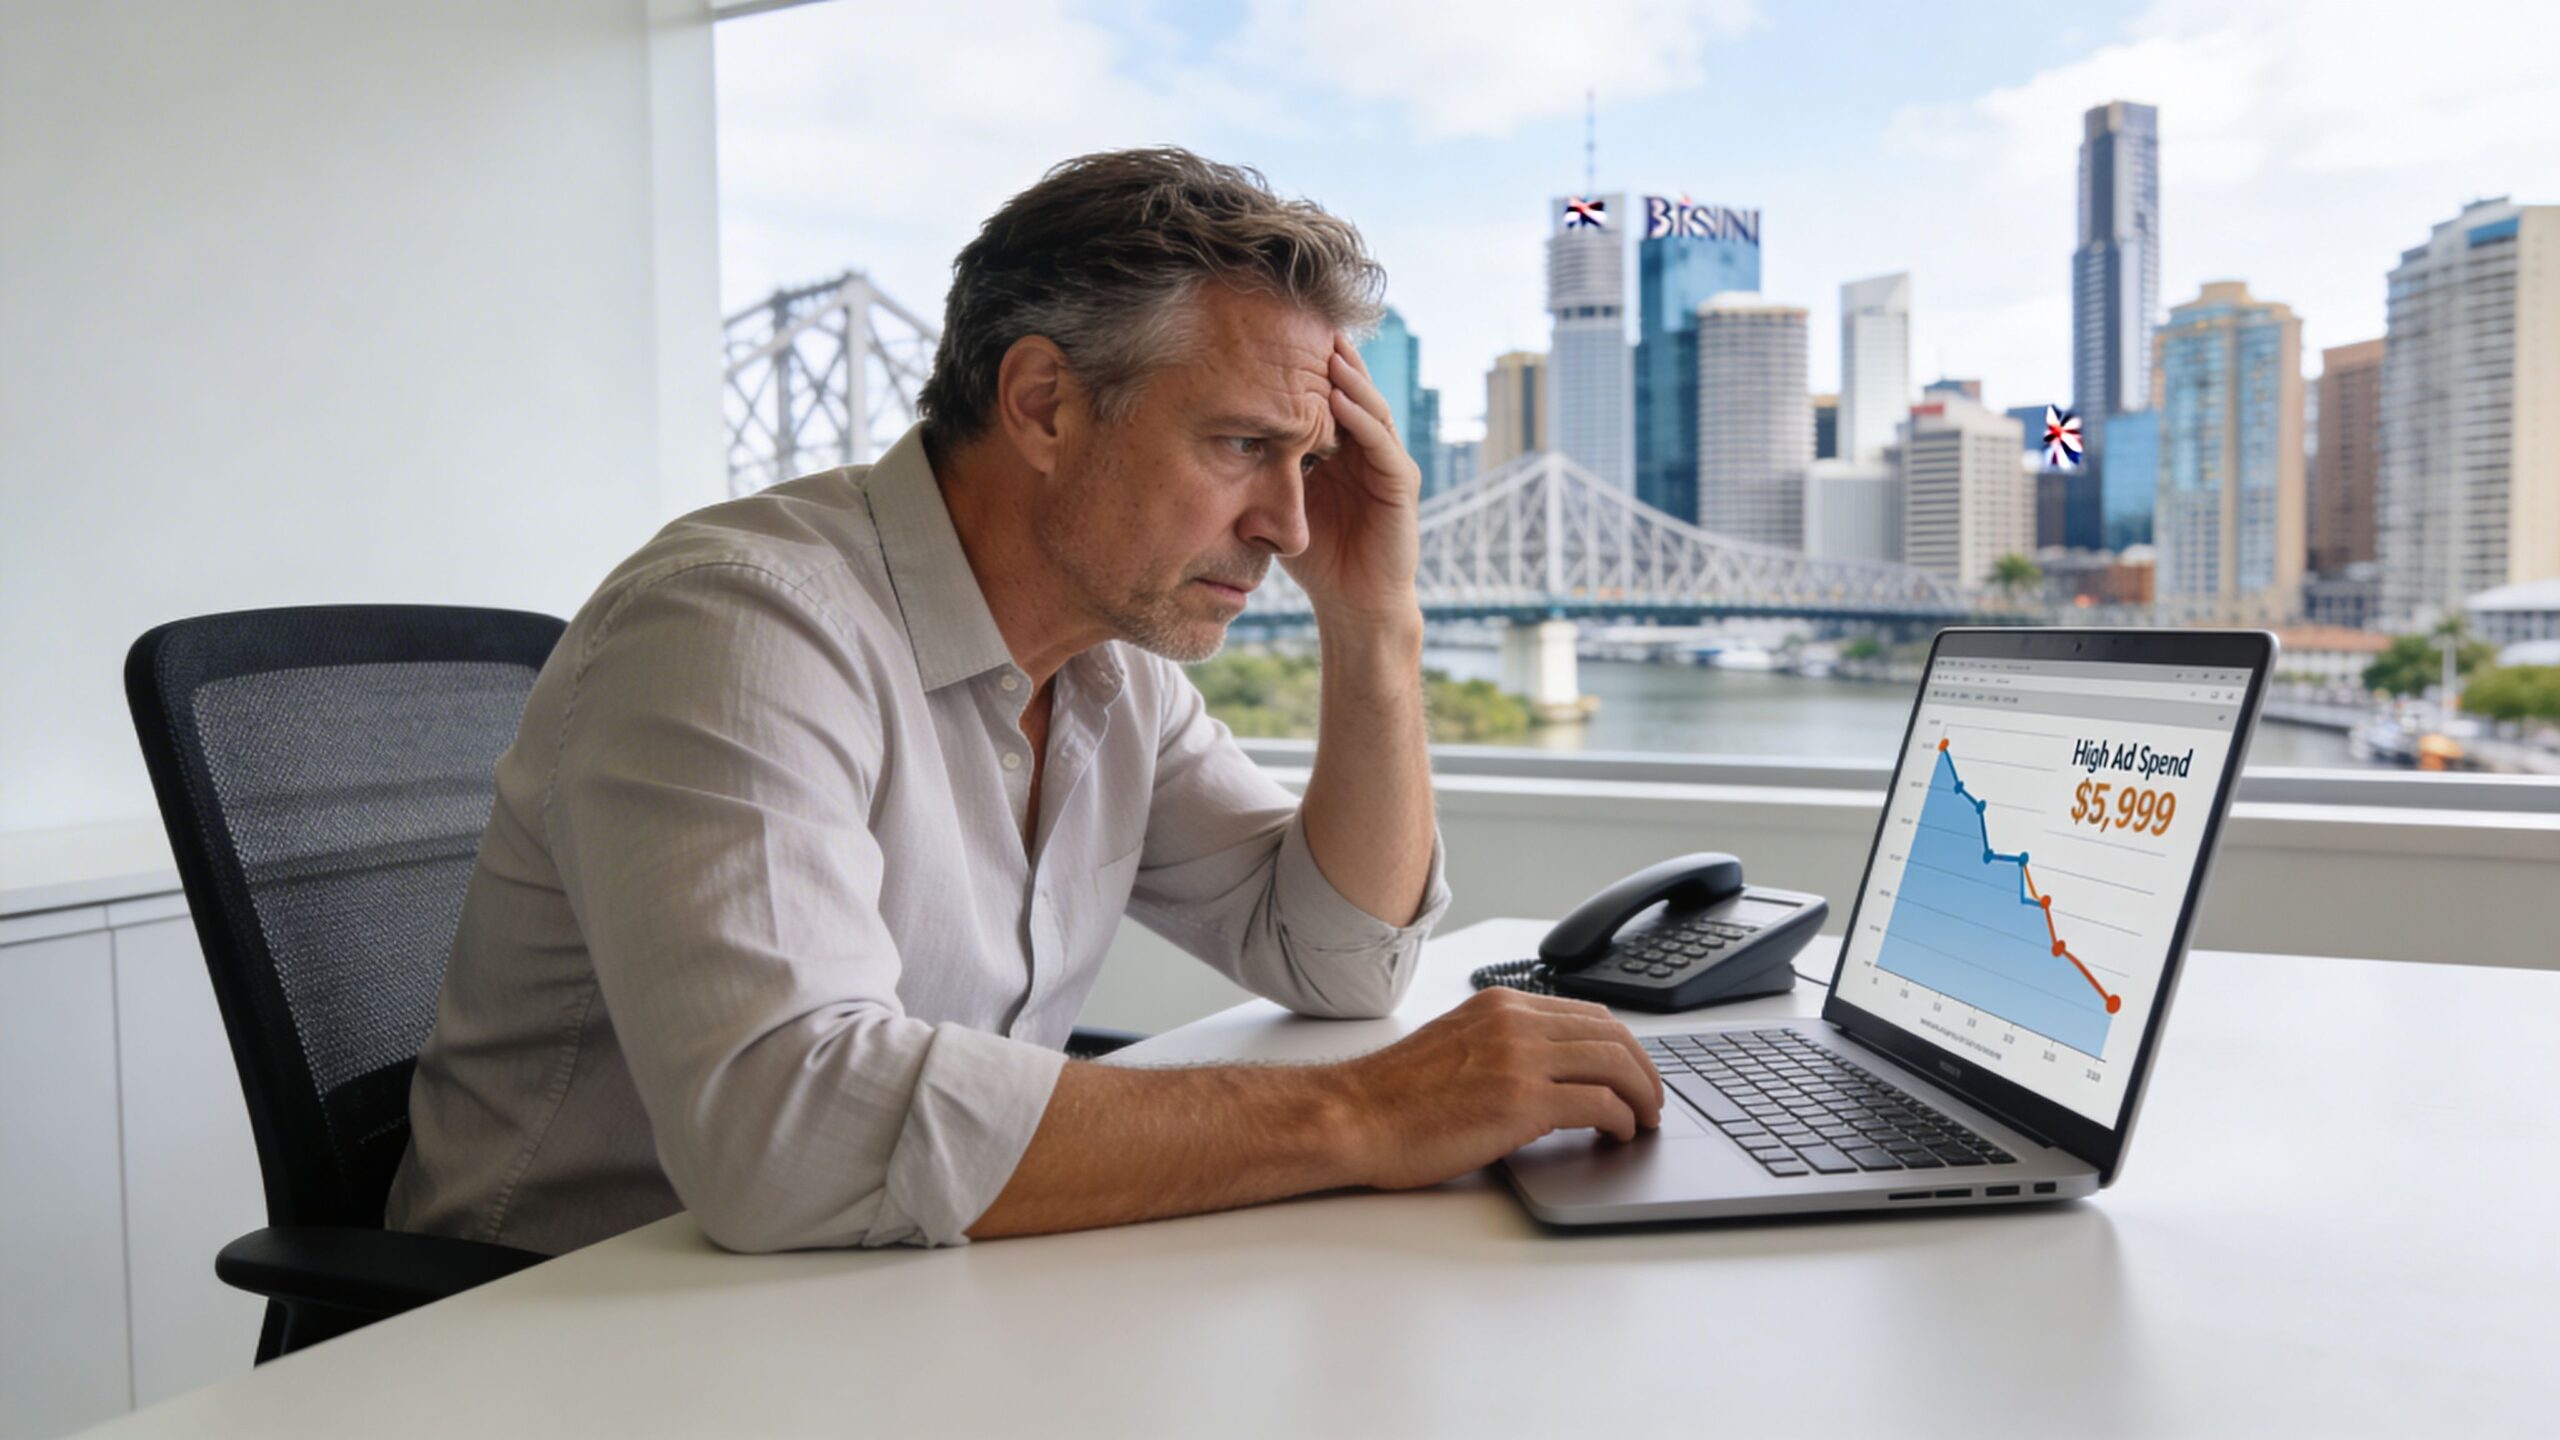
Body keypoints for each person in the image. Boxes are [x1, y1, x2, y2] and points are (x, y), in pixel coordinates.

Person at [387, 146, 1663, 1257]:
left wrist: (1375, 622)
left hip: (890, 1292)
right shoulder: (738, 626)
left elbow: (1336, 959)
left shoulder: (1111, 666)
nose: (1284, 523)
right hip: (572, 1339)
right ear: (1044, 403)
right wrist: (1364, 1113)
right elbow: (787, 1129)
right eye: (1238, 447)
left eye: (1310, 461)